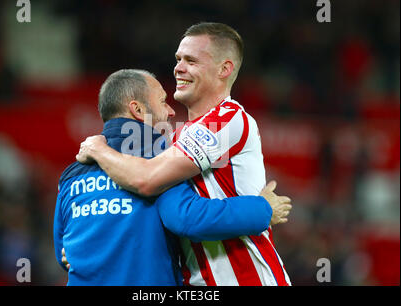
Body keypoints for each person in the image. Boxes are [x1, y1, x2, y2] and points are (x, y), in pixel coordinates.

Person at [76, 23, 292, 286]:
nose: (178, 68)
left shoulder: (228, 119)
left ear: (224, 69)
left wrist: (99, 149)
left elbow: (148, 181)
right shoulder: (174, 140)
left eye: (191, 61)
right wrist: (87, 249)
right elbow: (168, 214)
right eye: (178, 59)